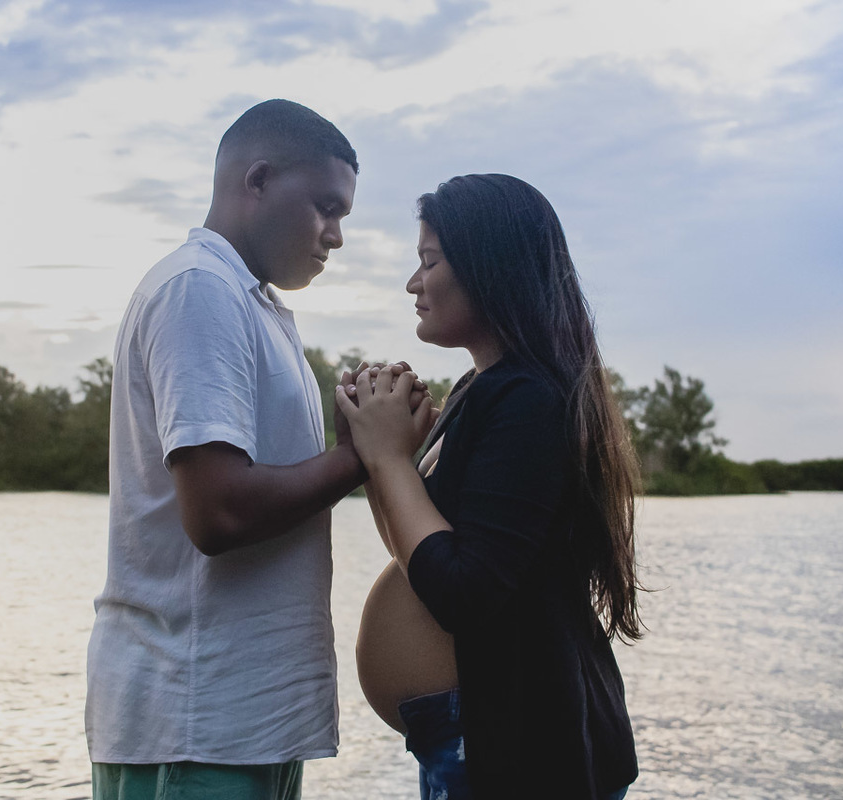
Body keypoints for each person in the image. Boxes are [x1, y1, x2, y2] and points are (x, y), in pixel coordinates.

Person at [85, 99, 377, 800]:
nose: (336, 235)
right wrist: (361, 454)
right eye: (325, 207)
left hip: (244, 721)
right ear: (258, 181)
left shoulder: (254, 304)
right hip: (192, 720)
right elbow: (218, 513)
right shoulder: (201, 289)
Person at [339, 173, 643, 799]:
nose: (413, 283)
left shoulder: (530, 399)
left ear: (487, 267)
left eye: (429, 261)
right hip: (477, 746)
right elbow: (415, 556)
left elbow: (465, 594)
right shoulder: (482, 389)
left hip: (526, 754)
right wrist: (382, 453)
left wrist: (395, 462)